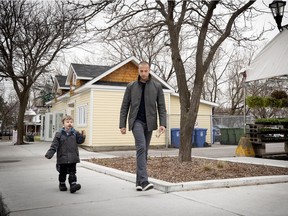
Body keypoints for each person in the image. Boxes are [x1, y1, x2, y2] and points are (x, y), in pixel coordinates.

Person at [119, 61, 167, 191]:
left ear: (149, 70)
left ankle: (138, 183)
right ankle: (145, 181)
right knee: (141, 148)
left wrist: (163, 124)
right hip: (136, 122)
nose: (144, 73)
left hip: (150, 123)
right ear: (138, 71)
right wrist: (122, 124)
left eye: (146, 71)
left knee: (144, 152)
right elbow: (124, 106)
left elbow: (162, 107)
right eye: (141, 71)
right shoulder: (131, 86)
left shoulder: (157, 87)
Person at [45, 115, 85, 193]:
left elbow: (79, 141)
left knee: (72, 172)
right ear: (63, 124)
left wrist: (83, 136)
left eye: (71, 122)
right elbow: (54, 145)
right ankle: (62, 184)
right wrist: (50, 153)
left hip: (73, 156)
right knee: (62, 172)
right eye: (67, 122)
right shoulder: (59, 134)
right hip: (62, 157)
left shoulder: (75, 133)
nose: (69, 123)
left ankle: (73, 185)